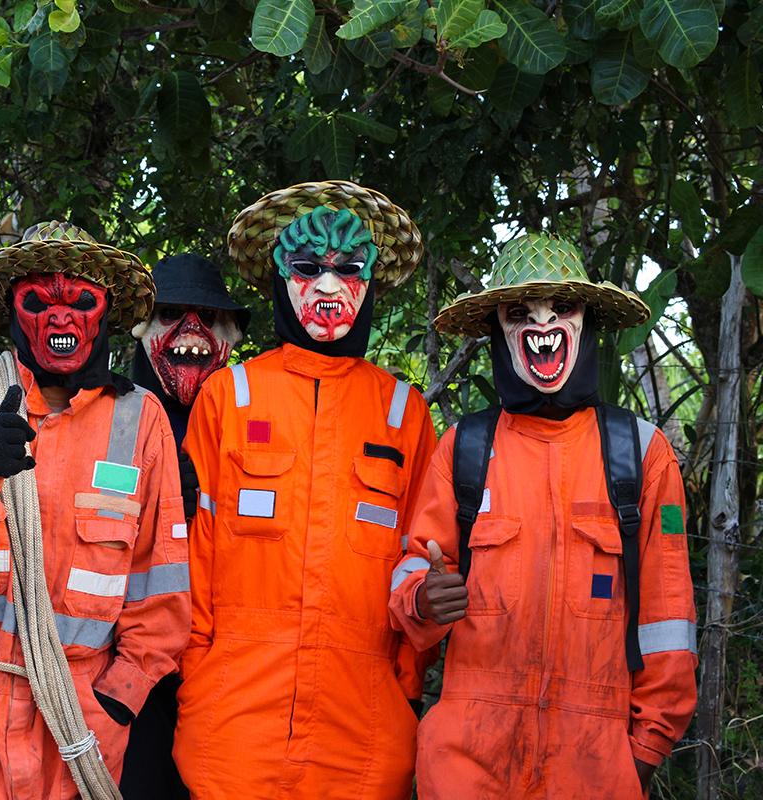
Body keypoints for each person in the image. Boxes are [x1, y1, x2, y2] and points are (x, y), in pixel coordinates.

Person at [388, 233, 698, 798]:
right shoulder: (463, 449)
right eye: (519, 313)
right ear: (499, 332)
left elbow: (668, 616)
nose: (542, 323)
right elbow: (415, 570)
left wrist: (644, 750)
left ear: (587, 321)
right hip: (467, 766)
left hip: (595, 766)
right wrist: (420, 600)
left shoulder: (641, 454)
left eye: (562, 307)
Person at [0, 221, 191, 800]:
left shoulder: (141, 420)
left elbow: (162, 584)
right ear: (12, 308)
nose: (61, 317)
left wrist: (121, 697)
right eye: (39, 300)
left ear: (104, 313)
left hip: (82, 710)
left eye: (80, 299)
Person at [174, 182, 439, 800]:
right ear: (277, 279)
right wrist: (200, 677)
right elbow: (188, 554)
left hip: (365, 728)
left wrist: (401, 685)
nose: (326, 286)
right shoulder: (229, 396)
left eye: (348, 269)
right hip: (231, 720)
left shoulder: (404, 411)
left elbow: (424, 560)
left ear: (371, 282)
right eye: (306, 267)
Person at [123, 253, 249, 800]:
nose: (191, 330)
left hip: (224, 669)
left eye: (208, 317)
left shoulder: (251, 418)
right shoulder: (107, 414)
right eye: (172, 312)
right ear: (141, 327)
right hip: (129, 672)